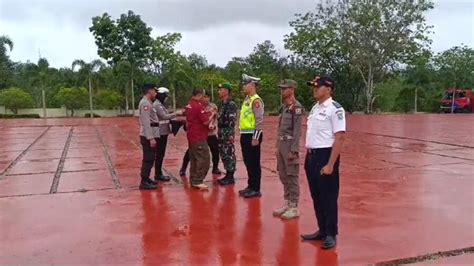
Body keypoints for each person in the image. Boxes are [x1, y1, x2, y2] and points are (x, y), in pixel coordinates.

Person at [300, 76, 346, 250]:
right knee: (316, 196)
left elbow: (340, 137)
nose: (314, 89)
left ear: (328, 89)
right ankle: (321, 229)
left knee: (328, 197)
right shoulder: (314, 108)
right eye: (313, 86)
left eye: (317, 86)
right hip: (311, 156)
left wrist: (330, 164)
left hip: (326, 155)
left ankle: (331, 234)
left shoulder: (335, 109)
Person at [273, 79, 304, 220]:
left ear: (292, 89)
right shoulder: (285, 107)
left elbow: (297, 131)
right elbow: (280, 128)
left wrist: (294, 150)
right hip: (281, 144)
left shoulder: (296, 108)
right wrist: (276, 146)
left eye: (284, 89)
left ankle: (294, 206)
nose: (282, 91)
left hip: (290, 144)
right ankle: (287, 202)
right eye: (281, 89)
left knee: (292, 176)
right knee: (283, 175)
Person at [179, 93, 221, 176]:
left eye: (207, 97)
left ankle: (215, 168)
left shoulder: (213, 106)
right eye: (204, 97)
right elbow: (188, 117)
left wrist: (214, 125)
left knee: (215, 151)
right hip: (199, 134)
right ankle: (183, 168)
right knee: (191, 151)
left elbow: (215, 117)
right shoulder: (196, 106)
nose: (206, 99)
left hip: (210, 133)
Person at [239, 74, 264, 198]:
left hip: (252, 135)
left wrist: (256, 136)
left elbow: (259, 120)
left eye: (245, 84)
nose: (243, 86)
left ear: (252, 85)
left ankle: (256, 188)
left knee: (254, 162)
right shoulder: (247, 99)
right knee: (248, 161)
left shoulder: (256, 100)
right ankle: (250, 185)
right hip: (245, 134)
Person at [152, 87, 182, 182]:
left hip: (163, 132)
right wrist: (176, 113)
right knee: (159, 154)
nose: (166, 98)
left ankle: (159, 173)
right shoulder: (157, 105)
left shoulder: (160, 104)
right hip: (160, 133)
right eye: (165, 96)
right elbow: (164, 116)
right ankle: (158, 174)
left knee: (161, 154)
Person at [185, 88, 211, 189]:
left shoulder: (189, 105)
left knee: (194, 159)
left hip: (192, 136)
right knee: (204, 158)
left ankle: (193, 179)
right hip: (198, 136)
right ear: (200, 95)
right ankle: (198, 180)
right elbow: (205, 122)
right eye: (203, 96)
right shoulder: (198, 106)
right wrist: (211, 115)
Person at [138, 84, 160, 190]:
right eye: (154, 91)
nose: (155, 93)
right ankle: (144, 181)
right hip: (148, 135)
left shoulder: (148, 103)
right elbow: (146, 122)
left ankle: (146, 178)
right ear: (149, 91)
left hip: (152, 133)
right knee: (148, 158)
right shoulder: (145, 104)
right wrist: (151, 138)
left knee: (151, 158)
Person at [216, 83, 238, 186]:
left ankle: (230, 176)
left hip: (227, 132)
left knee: (229, 153)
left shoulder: (231, 104)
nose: (219, 91)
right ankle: (227, 174)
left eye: (221, 90)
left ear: (227, 91)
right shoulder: (222, 104)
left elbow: (231, 121)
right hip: (221, 132)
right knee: (223, 153)